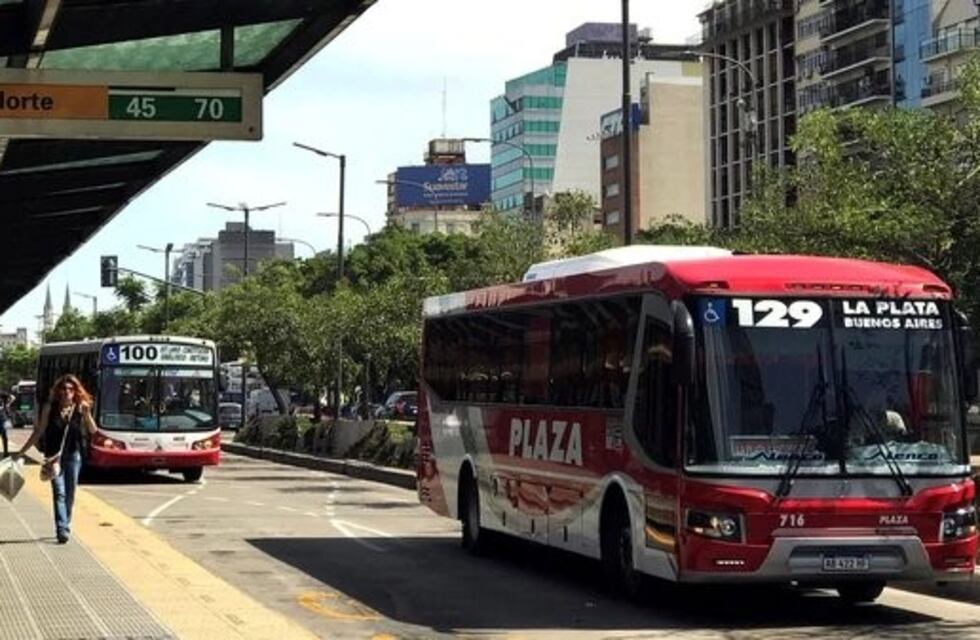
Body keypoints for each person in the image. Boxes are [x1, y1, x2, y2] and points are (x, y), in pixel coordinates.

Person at [18, 375, 98, 544]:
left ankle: (66, 523)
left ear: (75, 392)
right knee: (59, 493)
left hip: (73, 456)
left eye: (70, 389)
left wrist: (87, 413)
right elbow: (39, 431)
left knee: (70, 494)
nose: (66, 392)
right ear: (58, 391)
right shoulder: (50, 407)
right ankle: (62, 529)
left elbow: (92, 430)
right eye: (63, 389)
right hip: (53, 458)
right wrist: (22, 452)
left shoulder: (80, 408)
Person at [0, 392, 13, 457]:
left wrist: (7, 404)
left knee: (4, 436)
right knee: (4, 436)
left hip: (1, 418)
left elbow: (12, 397)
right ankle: (6, 452)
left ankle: (6, 452)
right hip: (2, 418)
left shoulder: (2, 394)